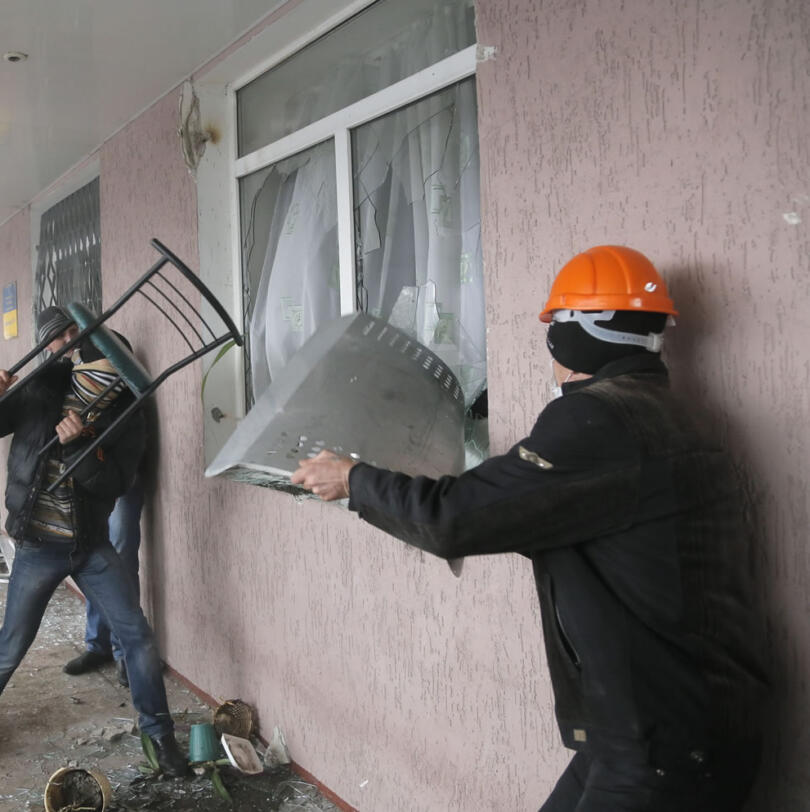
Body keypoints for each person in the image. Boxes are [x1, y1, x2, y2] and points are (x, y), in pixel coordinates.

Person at [291, 246, 768, 812]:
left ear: (567, 337)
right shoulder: (673, 415)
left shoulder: (597, 419)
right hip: (674, 721)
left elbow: (455, 519)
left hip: (662, 741)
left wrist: (355, 480)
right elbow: (566, 522)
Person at [0, 306, 189, 777]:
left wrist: (80, 446)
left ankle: (161, 739)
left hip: (90, 544)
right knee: (12, 644)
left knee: (137, 638)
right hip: (38, 544)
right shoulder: (43, 386)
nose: (75, 352)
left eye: (108, 369)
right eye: (66, 344)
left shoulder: (126, 409)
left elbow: (115, 483)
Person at [62, 332, 146, 688]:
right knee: (96, 559)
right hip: (92, 486)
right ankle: (98, 645)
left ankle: (126, 652)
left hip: (122, 482)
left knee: (121, 559)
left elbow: (113, 442)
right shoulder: (79, 389)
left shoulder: (126, 396)